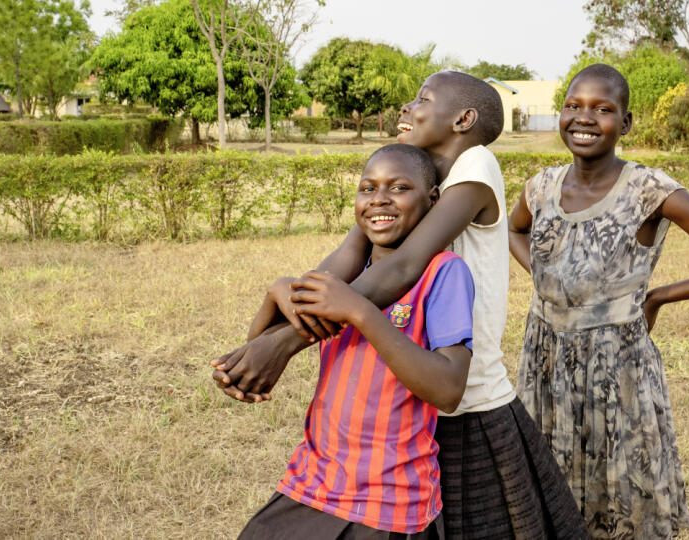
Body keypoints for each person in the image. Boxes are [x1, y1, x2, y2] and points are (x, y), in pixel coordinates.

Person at [218, 72, 587, 539]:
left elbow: (403, 268)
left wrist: (285, 345)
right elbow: (347, 261)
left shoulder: (476, 165)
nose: (406, 108)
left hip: (463, 404)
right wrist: (283, 304)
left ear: (464, 119)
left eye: (422, 99)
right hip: (401, 409)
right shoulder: (406, 183)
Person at [507, 64, 689, 539]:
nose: (584, 118)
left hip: (617, 368)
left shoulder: (648, 191)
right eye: (573, 106)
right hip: (545, 359)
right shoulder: (542, 186)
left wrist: (658, 296)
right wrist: (548, 278)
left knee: (620, 497)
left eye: (603, 109)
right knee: (549, 490)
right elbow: (514, 230)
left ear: (627, 123)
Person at [239, 144, 471, 539]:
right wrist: (275, 291)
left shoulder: (443, 273)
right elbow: (260, 357)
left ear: (432, 199)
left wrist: (359, 312)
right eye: (368, 188)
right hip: (314, 480)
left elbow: (448, 389)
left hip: (389, 500)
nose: (380, 198)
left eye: (399, 187)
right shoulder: (344, 274)